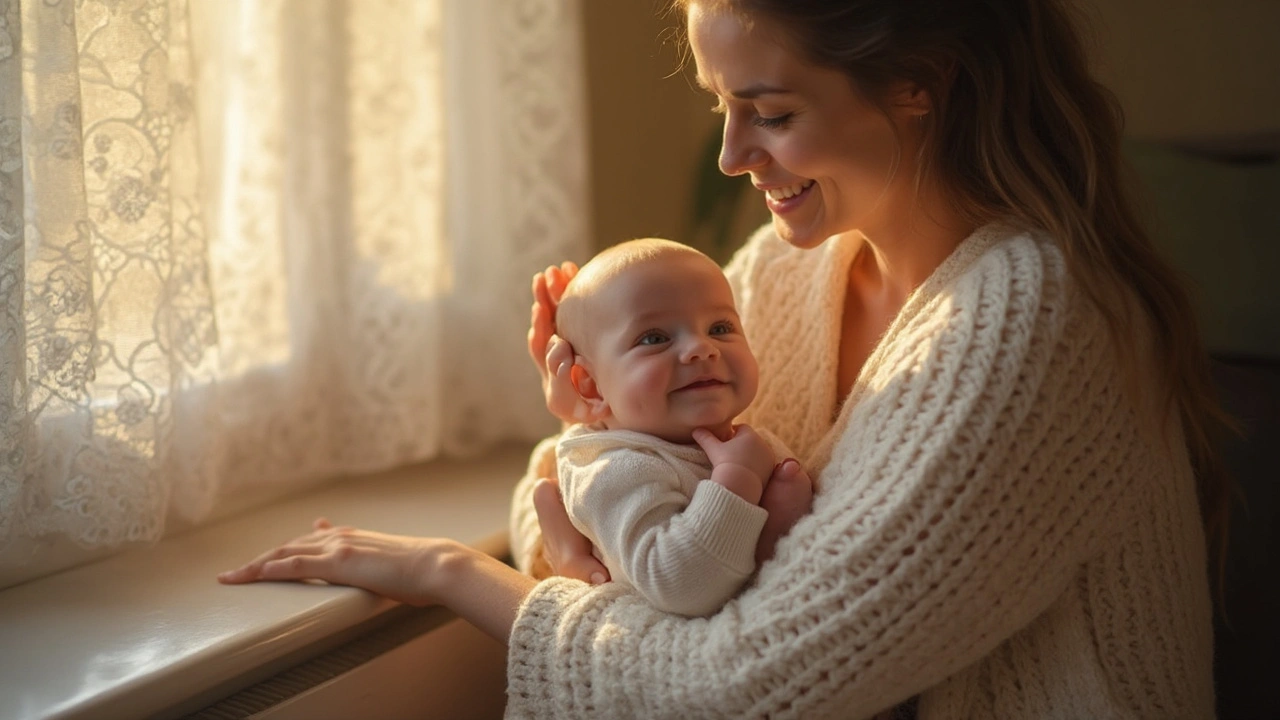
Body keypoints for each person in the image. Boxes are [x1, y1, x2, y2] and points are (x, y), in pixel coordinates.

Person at [221, 0, 1227, 717]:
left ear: (923, 85)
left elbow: (742, 686)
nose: (731, 155)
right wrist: (588, 431)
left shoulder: (1027, 323)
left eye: (772, 112)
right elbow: (634, 531)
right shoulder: (799, 271)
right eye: (721, 104)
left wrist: (457, 575)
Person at [537, 237, 801, 617]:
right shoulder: (616, 470)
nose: (701, 347)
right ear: (592, 386)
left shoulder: (741, 443)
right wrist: (738, 480)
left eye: (721, 327)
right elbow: (679, 587)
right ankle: (551, 502)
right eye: (655, 338)